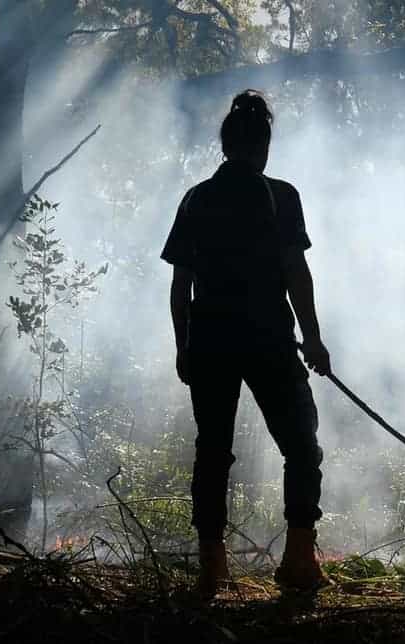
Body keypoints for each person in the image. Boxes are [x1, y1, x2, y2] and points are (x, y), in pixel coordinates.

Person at [161, 90, 331, 597]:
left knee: (212, 452)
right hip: (269, 340)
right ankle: (299, 559)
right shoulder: (281, 196)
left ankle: (212, 568)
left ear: (226, 144)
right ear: (264, 146)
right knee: (302, 447)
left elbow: (180, 285)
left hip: (211, 340)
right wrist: (313, 337)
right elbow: (295, 271)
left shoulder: (198, 198)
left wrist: (183, 344)